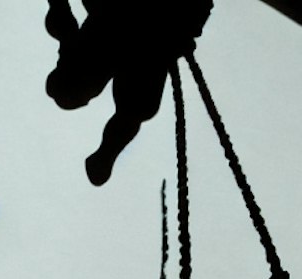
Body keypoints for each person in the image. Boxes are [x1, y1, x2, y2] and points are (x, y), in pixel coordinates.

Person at [44, 0, 213, 185]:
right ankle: (107, 151)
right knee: (136, 106)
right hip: (148, 32)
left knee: (137, 106)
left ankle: (108, 151)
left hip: (137, 27)